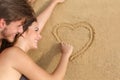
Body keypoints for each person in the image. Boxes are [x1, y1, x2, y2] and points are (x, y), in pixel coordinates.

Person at [0, 0, 73, 80]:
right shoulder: (13, 54)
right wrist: (65, 55)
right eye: (36, 30)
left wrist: (53, 3)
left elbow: (34, 26)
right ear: (23, 33)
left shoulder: (9, 53)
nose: (39, 36)